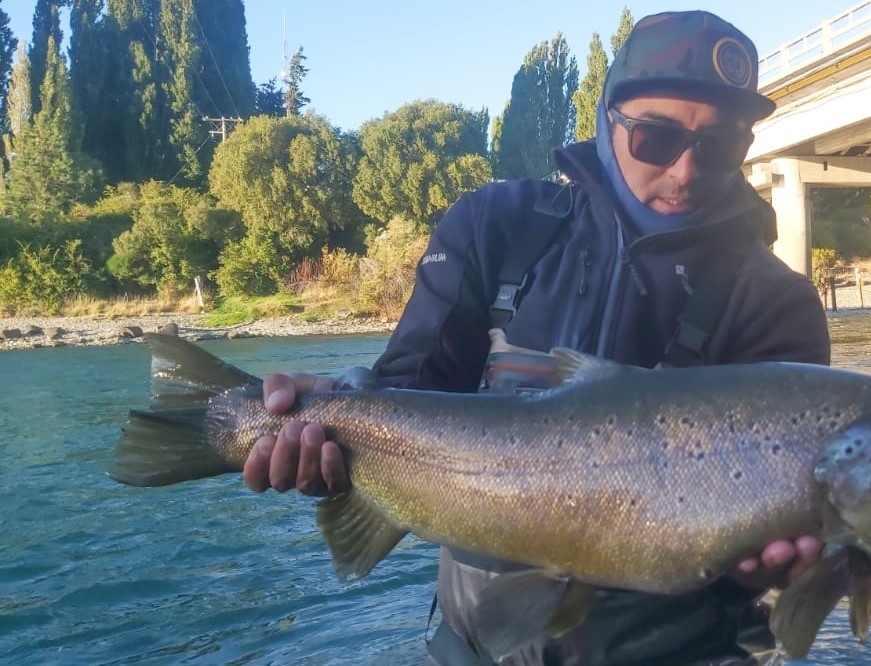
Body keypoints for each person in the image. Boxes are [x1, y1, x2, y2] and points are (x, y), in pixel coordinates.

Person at [243, 10, 832, 665]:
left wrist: (777, 568)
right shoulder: (495, 225)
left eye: (720, 146)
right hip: (474, 650)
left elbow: (782, 546)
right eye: (657, 138)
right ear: (608, 119)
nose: (688, 169)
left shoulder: (776, 301)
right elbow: (409, 394)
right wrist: (329, 437)